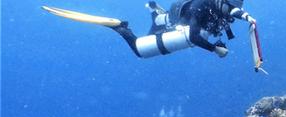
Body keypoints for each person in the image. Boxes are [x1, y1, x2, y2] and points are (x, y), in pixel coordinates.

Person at [43, 0, 256, 58]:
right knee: (140, 50)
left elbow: (227, 20)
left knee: (159, 26)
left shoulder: (222, 9)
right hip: (184, 20)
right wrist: (213, 49)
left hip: (176, 17)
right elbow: (193, 35)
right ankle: (119, 27)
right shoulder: (203, 7)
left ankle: (155, 13)